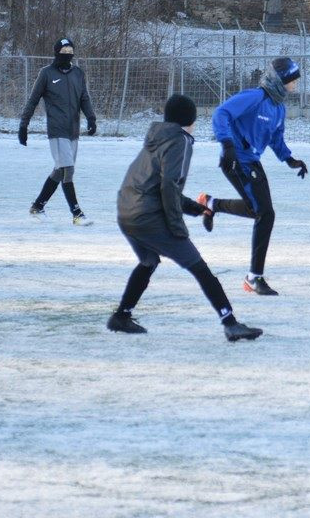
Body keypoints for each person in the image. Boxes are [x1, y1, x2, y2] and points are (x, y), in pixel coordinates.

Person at [109, 94, 262, 342]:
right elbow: (169, 187)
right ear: (189, 121)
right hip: (147, 217)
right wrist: (177, 227)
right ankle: (231, 324)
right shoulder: (180, 141)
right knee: (200, 268)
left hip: (127, 212)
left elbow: (157, 187)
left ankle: (121, 316)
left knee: (148, 261)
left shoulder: (157, 138)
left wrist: (196, 208)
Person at [195, 57, 309, 296]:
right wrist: (227, 144)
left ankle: (211, 204)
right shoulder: (255, 97)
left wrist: (290, 159)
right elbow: (221, 114)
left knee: (257, 210)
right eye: (292, 80)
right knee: (265, 214)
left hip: (250, 161)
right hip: (236, 161)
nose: (295, 84)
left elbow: (276, 139)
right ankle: (253, 278)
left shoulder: (278, 108)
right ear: (279, 80)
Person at [18, 37, 97, 225]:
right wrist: (23, 125)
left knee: (60, 171)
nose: (67, 55)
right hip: (57, 129)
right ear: (56, 53)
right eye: (64, 51)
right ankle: (77, 214)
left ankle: (38, 206)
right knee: (68, 169)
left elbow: (84, 98)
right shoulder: (46, 73)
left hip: (73, 130)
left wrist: (91, 118)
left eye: (70, 52)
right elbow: (33, 100)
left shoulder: (78, 73)